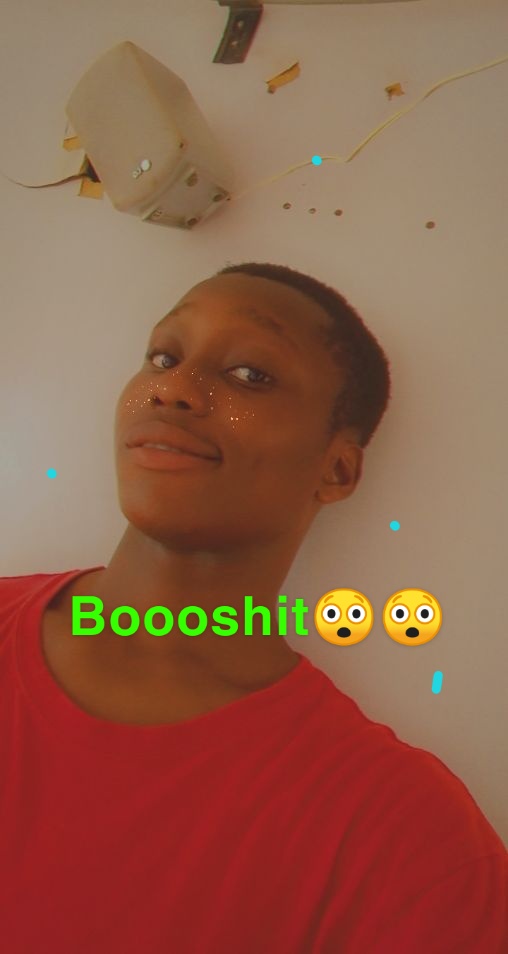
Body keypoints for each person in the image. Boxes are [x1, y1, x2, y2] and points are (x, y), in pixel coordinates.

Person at [0, 262, 506, 953]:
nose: (173, 387)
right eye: (163, 357)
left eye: (249, 375)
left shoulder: (404, 844)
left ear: (336, 470)